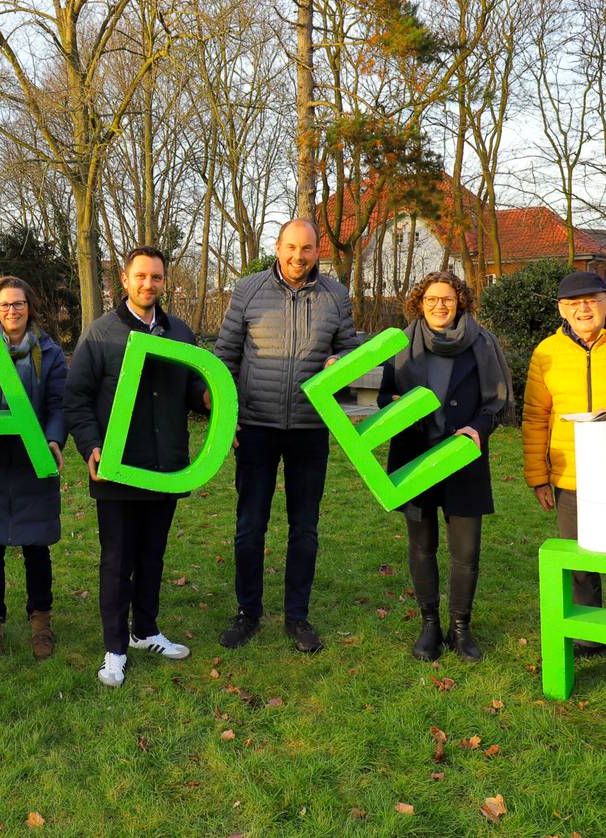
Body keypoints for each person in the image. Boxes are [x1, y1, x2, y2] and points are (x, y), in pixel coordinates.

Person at [214, 218, 360, 653]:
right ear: (277, 247)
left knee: (305, 528)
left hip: (311, 429)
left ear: (318, 251)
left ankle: (297, 616)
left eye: (308, 249)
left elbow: (352, 350)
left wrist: (341, 363)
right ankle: (248, 613)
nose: (298, 257)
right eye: (291, 248)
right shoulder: (248, 289)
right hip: (256, 426)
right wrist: (229, 417)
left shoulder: (336, 295)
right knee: (249, 526)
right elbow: (224, 356)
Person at [65, 246, 206, 687]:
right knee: (117, 559)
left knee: (152, 555)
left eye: (157, 277)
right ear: (124, 281)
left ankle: (145, 631)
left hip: (165, 468)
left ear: (165, 283)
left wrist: (212, 402)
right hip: (118, 471)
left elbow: (195, 389)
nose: (149, 284)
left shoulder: (180, 333)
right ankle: (114, 648)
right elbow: (77, 399)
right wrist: (90, 446)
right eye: (141, 276)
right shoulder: (101, 334)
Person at [377, 271, 512, 662]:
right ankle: (430, 626)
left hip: (463, 458)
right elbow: (385, 396)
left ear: (461, 302)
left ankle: (461, 629)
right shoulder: (401, 344)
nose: (440, 305)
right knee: (422, 546)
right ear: (420, 303)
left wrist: (479, 427)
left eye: (448, 299)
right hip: (415, 458)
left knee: (466, 551)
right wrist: (401, 409)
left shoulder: (481, 344)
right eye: (432, 299)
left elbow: (496, 401)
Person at [0, 277, 67, 660]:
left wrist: (54, 439)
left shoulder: (50, 353)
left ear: (29, 307)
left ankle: (41, 623)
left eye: (19, 304)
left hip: (31, 461)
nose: (12, 311)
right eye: (5, 305)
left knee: (36, 547)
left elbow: (59, 405)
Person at [523, 270, 606, 655]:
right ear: (561, 309)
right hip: (571, 475)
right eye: (574, 304)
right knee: (581, 556)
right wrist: (539, 477)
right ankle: (590, 636)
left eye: (592, 300)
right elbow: (535, 417)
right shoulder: (546, 353)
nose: (583, 309)